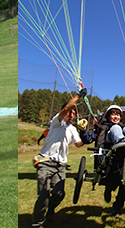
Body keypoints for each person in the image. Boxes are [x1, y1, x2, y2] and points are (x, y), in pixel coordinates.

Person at [31, 89, 94, 228]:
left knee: (59, 194)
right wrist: (79, 96)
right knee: (43, 196)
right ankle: (37, 224)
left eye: (73, 114)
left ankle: (51, 208)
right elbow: (66, 107)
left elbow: (79, 144)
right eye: (70, 113)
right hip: (45, 162)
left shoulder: (72, 129)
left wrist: (89, 134)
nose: (72, 115)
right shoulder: (56, 122)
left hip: (60, 166)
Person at [101, 105, 125, 209]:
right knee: (116, 127)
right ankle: (122, 142)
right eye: (113, 114)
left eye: (118, 114)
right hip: (112, 152)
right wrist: (83, 131)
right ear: (108, 116)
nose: (116, 117)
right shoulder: (104, 126)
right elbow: (90, 137)